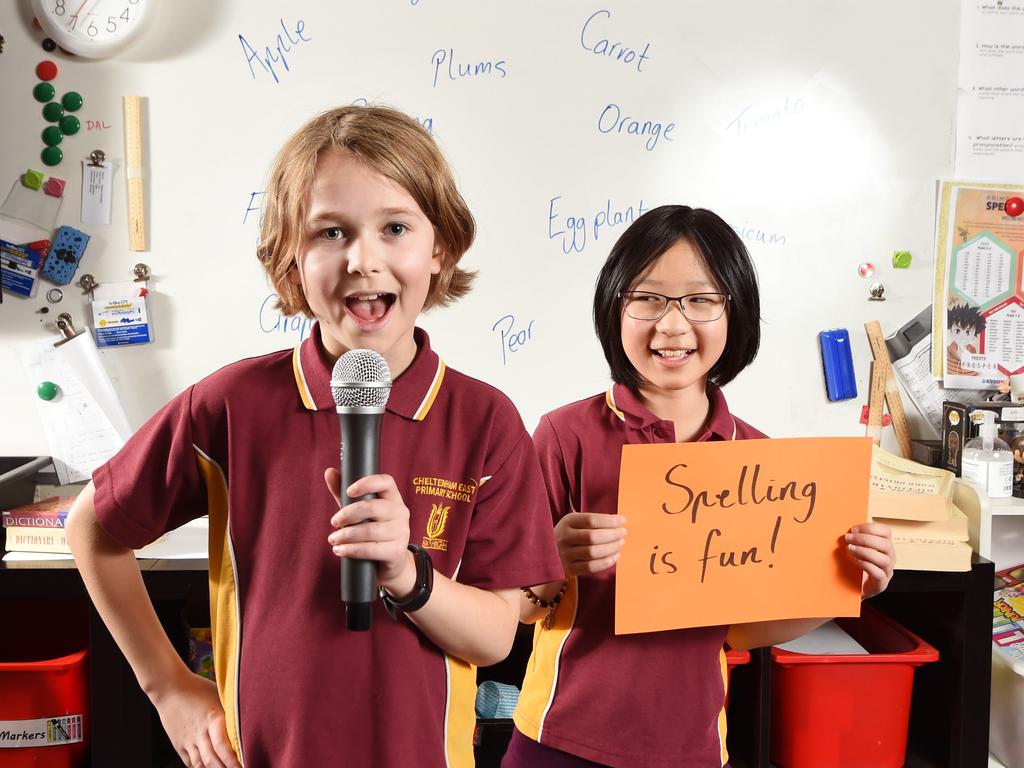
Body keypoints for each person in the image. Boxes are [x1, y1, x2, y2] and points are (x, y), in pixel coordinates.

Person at [67, 105, 562, 768]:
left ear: (439, 247)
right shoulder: (232, 404)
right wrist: (168, 688)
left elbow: (496, 637)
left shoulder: (485, 421)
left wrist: (408, 572)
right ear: (292, 258)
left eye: (394, 228)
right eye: (331, 232)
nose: (364, 260)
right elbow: (92, 529)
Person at [504, 205, 895, 768]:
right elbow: (516, 611)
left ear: (735, 313)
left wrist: (847, 586)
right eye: (648, 297)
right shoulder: (564, 435)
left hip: (691, 748)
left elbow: (739, 630)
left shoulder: (760, 461)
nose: (672, 325)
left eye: (701, 300)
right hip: (558, 738)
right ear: (615, 305)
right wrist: (555, 561)